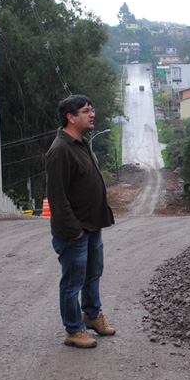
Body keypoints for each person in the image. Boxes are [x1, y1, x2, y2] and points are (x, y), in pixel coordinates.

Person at [45, 94, 116, 349]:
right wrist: (74, 230)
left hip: (92, 225)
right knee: (72, 282)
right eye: (86, 111)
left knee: (93, 274)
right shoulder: (60, 150)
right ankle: (74, 330)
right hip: (75, 231)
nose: (92, 114)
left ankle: (92, 316)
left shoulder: (81, 143)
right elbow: (57, 195)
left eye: (91, 109)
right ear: (71, 117)